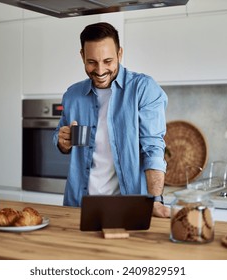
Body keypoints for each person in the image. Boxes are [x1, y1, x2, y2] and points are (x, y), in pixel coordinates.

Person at [53, 22, 169, 218]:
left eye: (108, 61)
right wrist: (62, 141)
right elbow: (60, 135)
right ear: (82, 56)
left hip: (130, 208)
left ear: (120, 54)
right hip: (78, 207)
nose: (99, 70)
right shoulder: (73, 95)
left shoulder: (143, 89)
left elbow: (153, 149)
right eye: (91, 62)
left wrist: (156, 200)